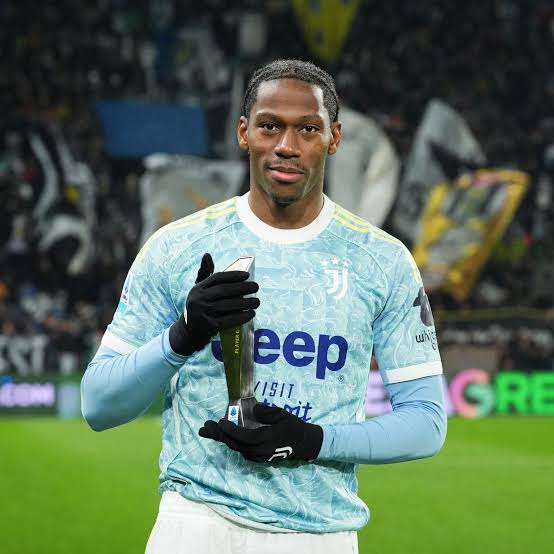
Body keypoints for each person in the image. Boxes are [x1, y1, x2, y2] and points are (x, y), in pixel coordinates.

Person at [81, 59, 447, 554]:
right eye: (270, 126)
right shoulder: (176, 247)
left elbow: (426, 423)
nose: (286, 145)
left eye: (308, 129)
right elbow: (99, 405)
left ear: (334, 138)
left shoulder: (382, 261)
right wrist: (182, 336)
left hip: (319, 535)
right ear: (244, 133)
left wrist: (313, 441)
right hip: (196, 523)